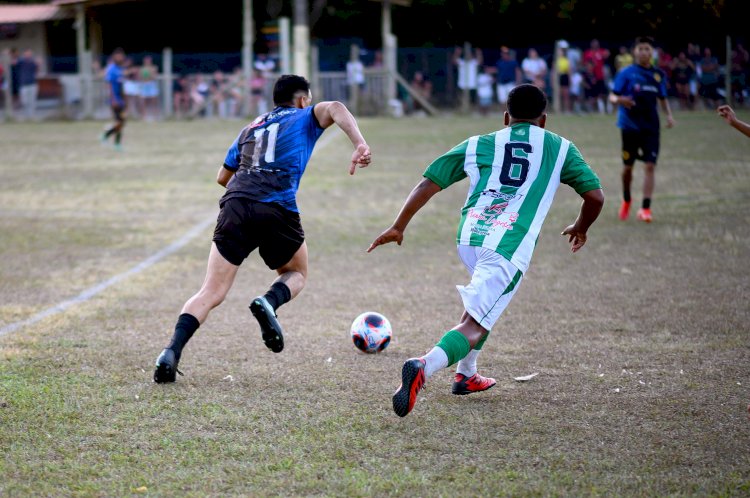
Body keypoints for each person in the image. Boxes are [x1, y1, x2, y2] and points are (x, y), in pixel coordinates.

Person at [367, 84, 604, 417]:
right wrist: (581, 226)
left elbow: (429, 182)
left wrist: (398, 225)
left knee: (486, 303)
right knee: (475, 322)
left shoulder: (479, 143)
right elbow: (595, 197)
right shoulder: (560, 148)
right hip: (508, 243)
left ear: (506, 117)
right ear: (544, 121)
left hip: (470, 237)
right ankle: (424, 365)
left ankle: (466, 374)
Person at [153, 74, 372, 383]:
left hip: (236, 204)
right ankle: (268, 302)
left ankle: (170, 352)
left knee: (211, 291)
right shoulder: (305, 116)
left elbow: (221, 177)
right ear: (302, 100)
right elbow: (336, 107)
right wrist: (360, 143)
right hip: (276, 206)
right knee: (296, 273)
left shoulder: (251, 127)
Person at [609, 36, 674, 223]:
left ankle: (645, 208)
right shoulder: (626, 73)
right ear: (635, 52)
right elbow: (612, 97)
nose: (644, 52)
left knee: (650, 166)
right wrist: (621, 101)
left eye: (647, 48)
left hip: (651, 126)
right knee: (627, 169)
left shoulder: (658, 75)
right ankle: (627, 199)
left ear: (652, 52)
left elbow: (662, 98)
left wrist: (668, 115)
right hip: (629, 126)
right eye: (641, 48)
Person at [101, 48, 128, 151]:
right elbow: (110, 85)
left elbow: (121, 86)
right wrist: (113, 100)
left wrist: (124, 99)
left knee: (121, 122)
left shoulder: (120, 69)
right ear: (114, 57)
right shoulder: (112, 69)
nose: (121, 57)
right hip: (114, 100)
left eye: (122, 55)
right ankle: (115, 143)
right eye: (118, 56)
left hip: (120, 99)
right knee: (120, 121)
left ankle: (107, 136)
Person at [16, 49, 39, 121]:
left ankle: (32, 116)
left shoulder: (33, 62)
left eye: (30, 53)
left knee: (32, 101)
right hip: (23, 84)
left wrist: (39, 63)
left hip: (32, 83)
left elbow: (37, 70)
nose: (28, 55)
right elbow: (14, 62)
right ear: (24, 54)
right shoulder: (21, 61)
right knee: (24, 101)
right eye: (27, 53)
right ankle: (26, 116)